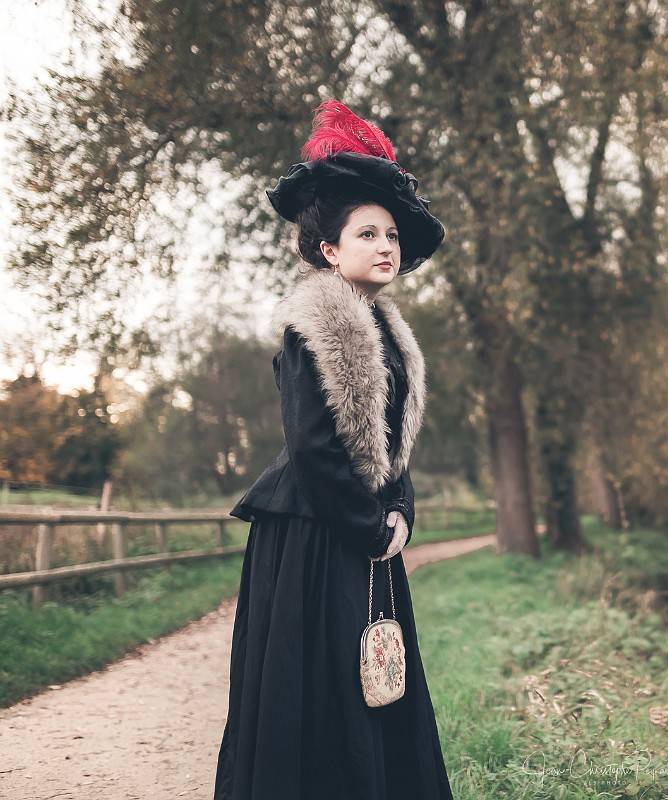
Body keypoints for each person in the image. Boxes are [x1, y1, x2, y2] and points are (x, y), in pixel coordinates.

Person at [213, 99, 453, 800]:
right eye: (367, 233)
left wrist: (401, 511)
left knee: (377, 677)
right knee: (320, 689)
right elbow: (314, 450)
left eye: (392, 235)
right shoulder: (312, 330)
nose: (386, 246)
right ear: (329, 250)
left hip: (368, 531)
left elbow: (394, 445)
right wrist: (371, 527)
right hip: (314, 537)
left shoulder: (390, 336)